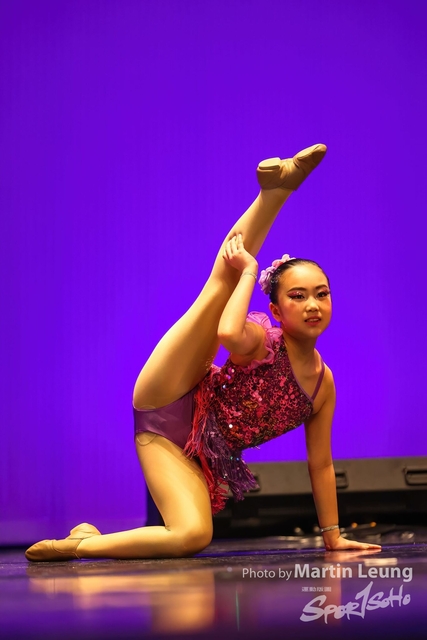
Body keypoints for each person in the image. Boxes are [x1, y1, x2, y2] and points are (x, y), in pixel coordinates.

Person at [25, 143, 381, 561]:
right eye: (298, 296)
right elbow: (227, 332)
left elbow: (320, 464)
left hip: (187, 452)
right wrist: (249, 272)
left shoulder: (323, 386)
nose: (312, 305)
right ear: (276, 310)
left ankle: (81, 543)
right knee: (220, 287)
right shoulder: (265, 341)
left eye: (321, 294)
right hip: (173, 392)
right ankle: (275, 192)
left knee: (192, 535)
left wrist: (333, 536)